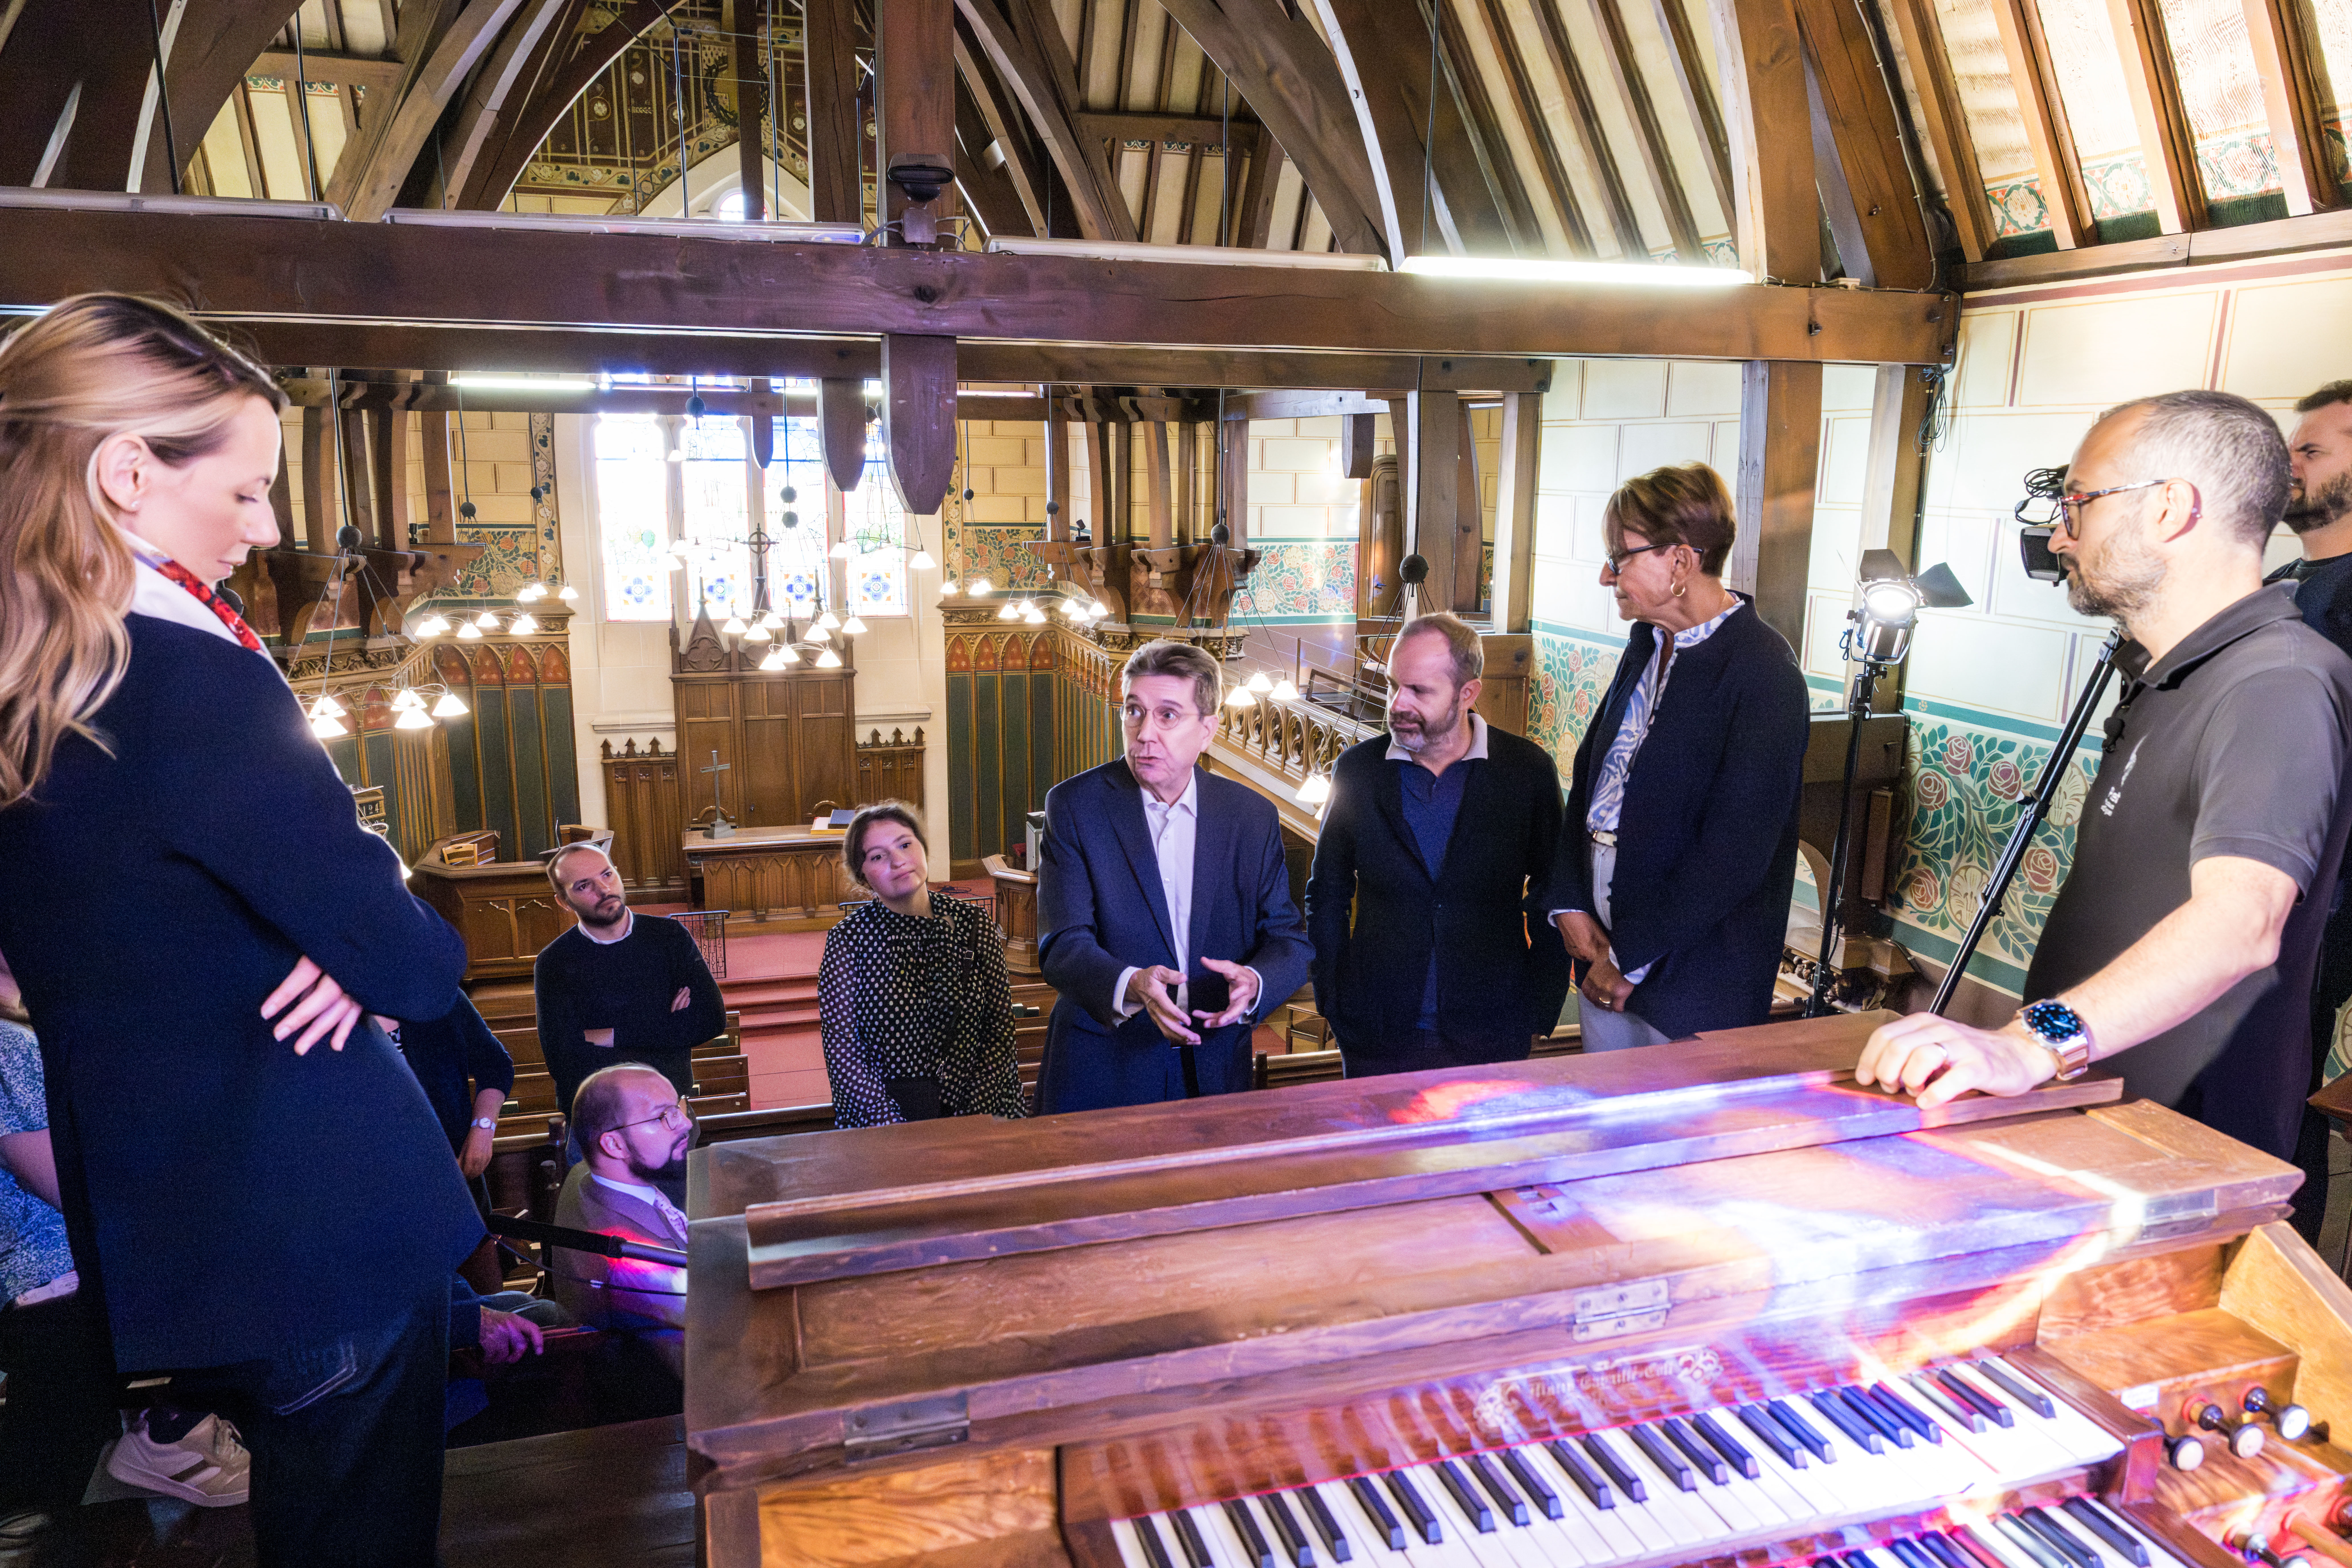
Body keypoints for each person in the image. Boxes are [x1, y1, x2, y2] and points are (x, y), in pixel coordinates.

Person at [0, 294, 481, 1563]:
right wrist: (359, 919)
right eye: (249, 489)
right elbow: (421, 963)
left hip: (173, 1242)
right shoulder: (191, 677)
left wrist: (342, 924)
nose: (266, 530)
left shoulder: (34, 690)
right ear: (125, 474)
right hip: (322, 1221)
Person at [1860, 390, 2352, 1170]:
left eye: (2080, 502)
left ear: (2169, 509)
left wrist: (2029, 1045)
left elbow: (2241, 923)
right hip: (2097, 1112)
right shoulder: (2172, 671)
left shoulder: (2277, 682)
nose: (2060, 533)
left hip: (2180, 1145)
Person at [1544, 463, 1811, 1048]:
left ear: (1682, 562)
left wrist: (1630, 958)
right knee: (1602, 1132)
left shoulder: (1764, 672)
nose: (1605, 574)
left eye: (1622, 556)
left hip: (1695, 981)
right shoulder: (1645, 644)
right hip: (1601, 960)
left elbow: (1734, 855)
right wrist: (1567, 900)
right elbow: (1589, 784)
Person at [1035, 639, 1314, 1113]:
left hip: (1215, 1066)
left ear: (1207, 729)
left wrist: (1255, 981)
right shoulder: (1075, 806)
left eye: (1167, 715)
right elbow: (1062, 944)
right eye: (1134, 711)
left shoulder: (1250, 815)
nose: (1144, 733)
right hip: (1103, 1066)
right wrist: (1132, 982)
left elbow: (1288, 937)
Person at [1303, 612, 1571, 1076]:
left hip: (1492, 1030)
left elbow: (1556, 891)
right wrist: (1333, 996)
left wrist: (1538, 1006)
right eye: (1393, 685)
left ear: (1468, 693)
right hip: (1375, 1032)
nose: (1398, 703)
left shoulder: (1526, 772)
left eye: (1420, 691)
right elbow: (1326, 890)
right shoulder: (1358, 771)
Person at [2269, 380, 2352, 1237]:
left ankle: (2275, 1273)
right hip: (2261, 872)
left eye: (2313, 450)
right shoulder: (2287, 579)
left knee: (2280, 1094)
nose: (2289, 464)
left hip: (2321, 895)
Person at [817, 802, 1027, 1127]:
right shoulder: (848, 940)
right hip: (888, 1124)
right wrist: (896, 1129)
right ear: (863, 875)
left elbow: (1000, 1030)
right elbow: (845, 1053)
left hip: (980, 1114)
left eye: (905, 844)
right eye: (878, 856)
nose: (898, 861)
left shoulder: (973, 922)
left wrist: (967, 1120)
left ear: (923, 848)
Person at [534, 842, 725, 1114]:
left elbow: (711, 1020)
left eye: (607, 874)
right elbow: (563, 1059)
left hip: (669, 1113)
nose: (604, 890)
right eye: (584, 886)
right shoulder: (554, 962)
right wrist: (666, 1027)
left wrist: (611, 1036)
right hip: (599, 1120)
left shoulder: (669, 937)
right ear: (563, 902)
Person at [550, 1065, 692, 1381]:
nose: (686, 1123)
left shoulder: (584, 1176)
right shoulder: (638, 1263)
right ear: (613, 1144)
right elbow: (705, 1355)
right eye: (663, 1115)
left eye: (679, 1107)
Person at [378, 995, 515, 1179]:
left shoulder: (440, 995)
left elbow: (496, 1066)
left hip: (455, 1177)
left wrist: (483, 1128)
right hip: (374, 1186)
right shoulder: (332, 1014)